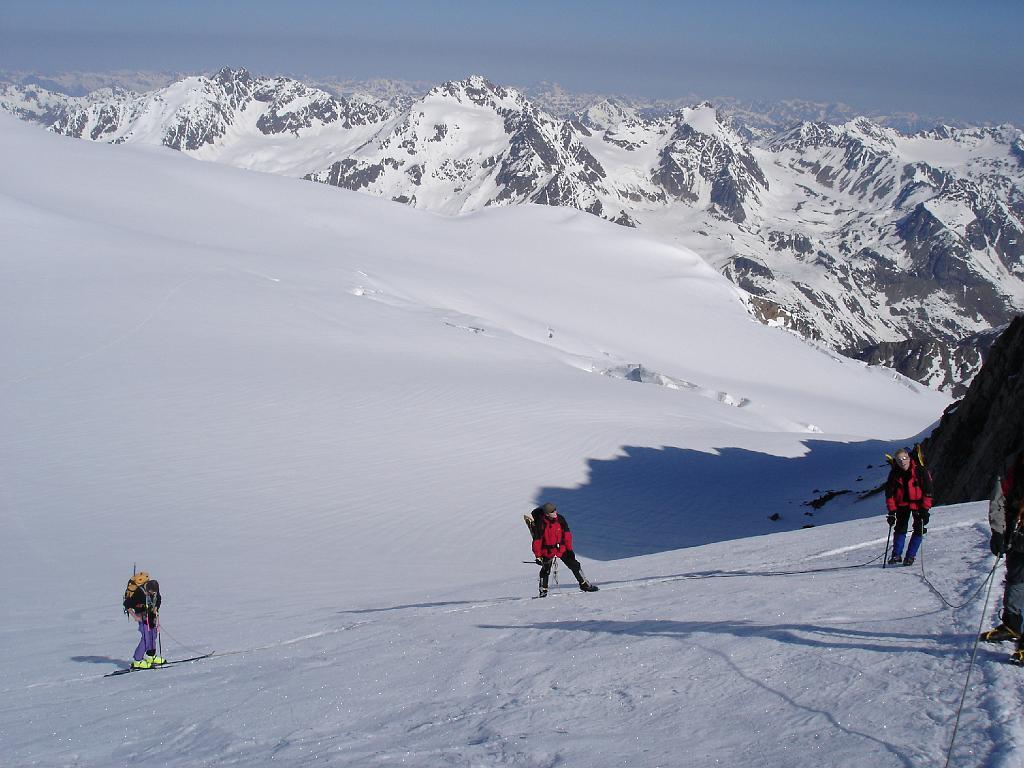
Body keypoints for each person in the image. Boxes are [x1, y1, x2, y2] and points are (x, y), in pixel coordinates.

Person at [981, 450, 1024, 660]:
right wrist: (998, 532)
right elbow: (999, 498)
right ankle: (1012, 624)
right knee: (1015, 579)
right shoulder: (1013, 463)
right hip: (1017, 535)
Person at [529, 502, 599, 597]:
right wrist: (538, 556)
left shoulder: (560, 519)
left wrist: (569, 550)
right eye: (552, 511)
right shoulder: (540, 523)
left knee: (575, 565)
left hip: (561, 548)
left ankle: (584, 585)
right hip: (547, 550)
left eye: (555, 510)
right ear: (546, 514)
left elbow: (567, 535)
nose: (555, 512)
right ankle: (543, 591)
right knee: (545, 570)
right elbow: (537, 540)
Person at [884, 447, 933, 566]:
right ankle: (896, 555)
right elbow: (889, 494)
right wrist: (892, 512)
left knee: (919, 529)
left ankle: (910, 556)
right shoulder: (894, 473)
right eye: (899, 459)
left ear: (909, 457)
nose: (902, 461)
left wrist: (925, 510)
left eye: (904, 458)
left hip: (918, 505)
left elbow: (928, 491)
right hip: (902, 505)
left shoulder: (920, 471)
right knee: (900, 528)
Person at [123, 571, 165, 669]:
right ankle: (138, 660)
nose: (153, 594)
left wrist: (156, 609)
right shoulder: (138, 593)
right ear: (147, 588)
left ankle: (151, 656)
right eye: (151, 592)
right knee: (146, 638)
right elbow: (127, 605)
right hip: (142, 615)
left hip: (151, 615)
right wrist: (135, 617)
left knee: (153, 635)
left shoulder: (155, 589)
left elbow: (158, 599)